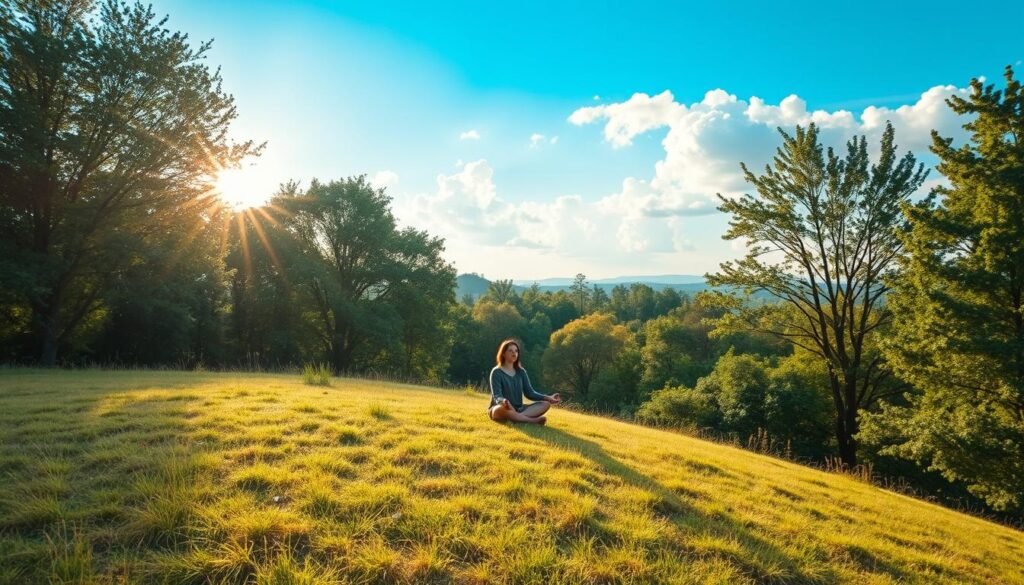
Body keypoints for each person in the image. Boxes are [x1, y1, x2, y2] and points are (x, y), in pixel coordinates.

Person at [488, 339, 561, 424]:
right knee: (498, 409)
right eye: (510, 351)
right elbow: (497, 396)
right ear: (503, 354)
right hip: (502, 407)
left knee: (546, 404)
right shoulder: (496, 372)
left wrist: (548, 398)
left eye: (516, 351)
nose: (514, 353)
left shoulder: (521, 372)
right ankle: (531, 421)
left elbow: (530, 393)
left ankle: (517, 418)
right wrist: (504, 402)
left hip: (519, 409)